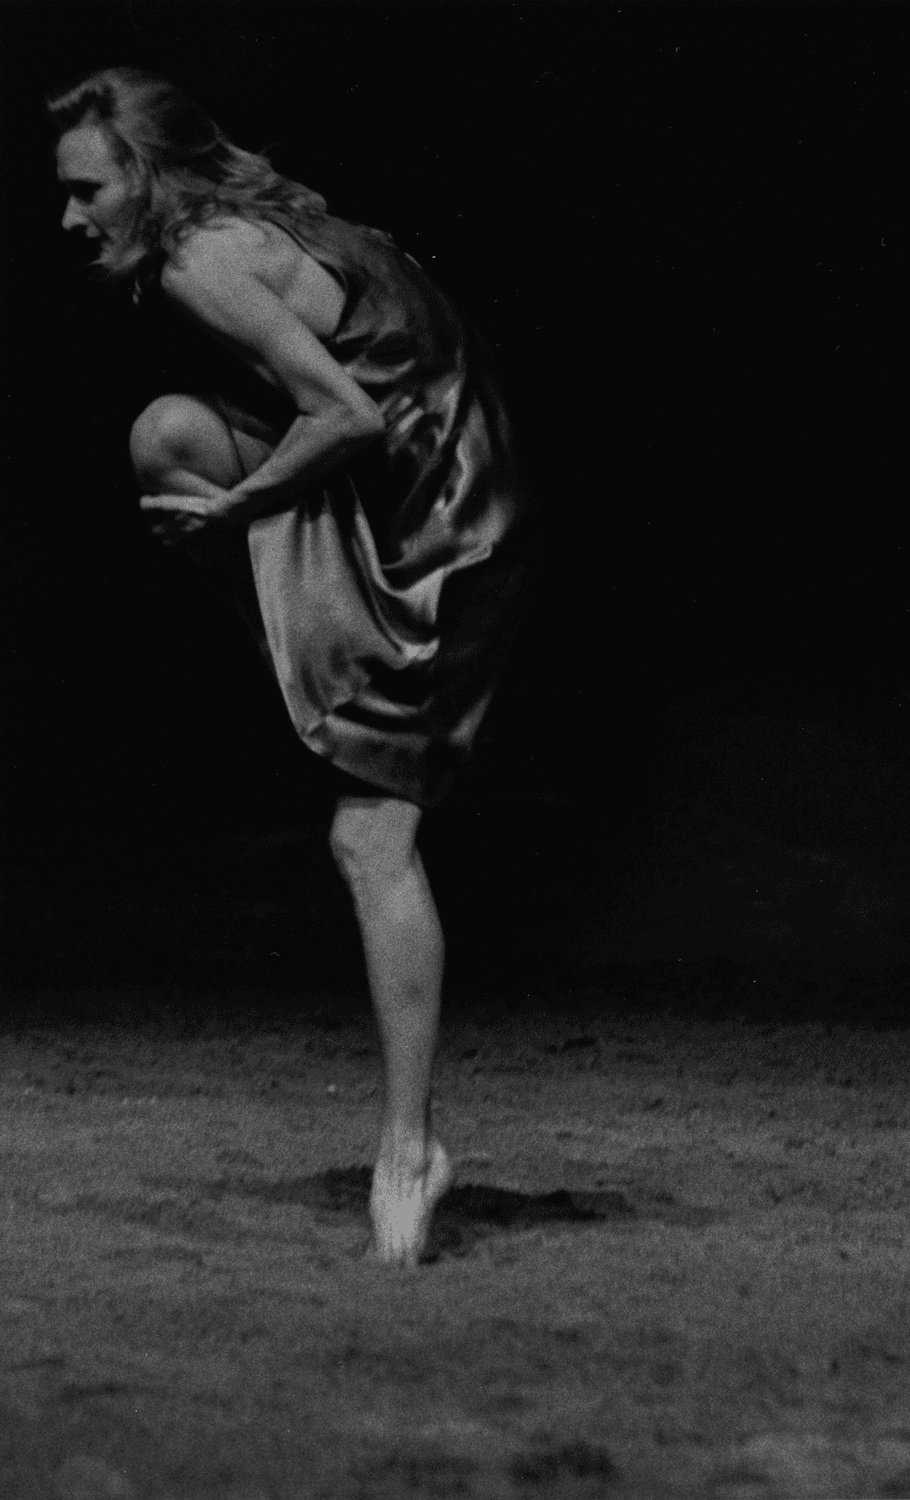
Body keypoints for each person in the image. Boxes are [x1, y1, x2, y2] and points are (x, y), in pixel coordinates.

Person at [51, 67, 529, 1268]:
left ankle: (408, 1147)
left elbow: (354, 421)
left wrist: (235, 516)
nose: (68, 219)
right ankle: (305, 664)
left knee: (369, 843)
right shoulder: (245, 223)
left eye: (86, 190)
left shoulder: (202, 263)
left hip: (444, 517)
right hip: (402, 470)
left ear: (147, 178)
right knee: (166, 435)